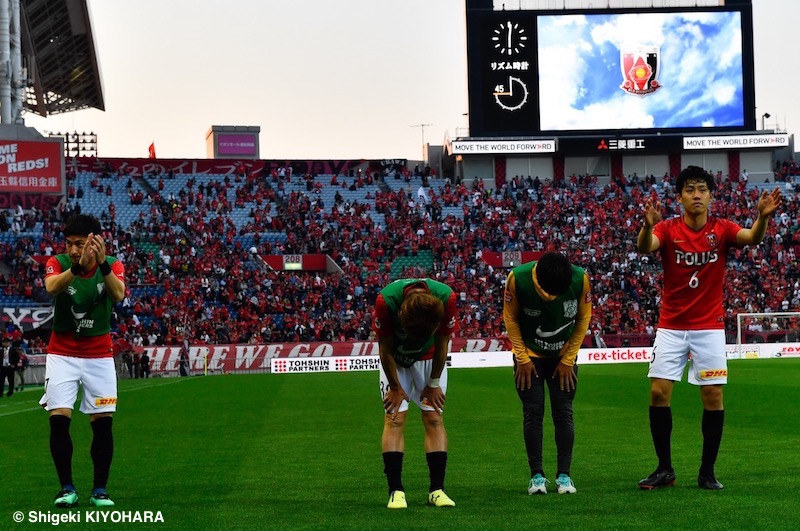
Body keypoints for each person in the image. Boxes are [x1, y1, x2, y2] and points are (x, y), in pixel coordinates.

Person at [636, 166, 782, 490]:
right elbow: (646, 246)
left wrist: (762, 218)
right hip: (671, 325)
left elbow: (752, 238)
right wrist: (646, 226)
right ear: (679, 197)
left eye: (702, 189)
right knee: (658, 392)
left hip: (709, 327)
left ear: (711, 196)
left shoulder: (723, 228)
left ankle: (707, 472)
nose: (696, 195)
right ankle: (665, 469)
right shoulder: (667, 228)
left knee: (713, 395)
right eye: (690, 190)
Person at [40, 214, 126, 508]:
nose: (73, 250)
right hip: (61, 354)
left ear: (94, 242)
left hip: (98, 356)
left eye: (79, 244)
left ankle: (100, 490)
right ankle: (66, 488)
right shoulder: (58, 262)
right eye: (69, 244)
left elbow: (119, 294)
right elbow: (52, 287)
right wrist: (76, 267)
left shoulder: (112, 264)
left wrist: (101, 264)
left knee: (102, 424)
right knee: (58, 420)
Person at [503, 252, 592, 495]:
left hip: (563, 356)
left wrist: (569, 359)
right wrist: (522, 358)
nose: (553, 297)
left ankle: (564, 476)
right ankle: (537, 476)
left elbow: (583, 318)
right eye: (549, 292)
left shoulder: (580, 279)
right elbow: (510, 318)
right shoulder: (517, 279)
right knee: (533, 414)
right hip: (529, 356)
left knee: (563, 413)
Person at [373, 278, 458, 509]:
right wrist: (395, 387)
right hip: (395, 361)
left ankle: (437, 490)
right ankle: (396, 491)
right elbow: (384, 348)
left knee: (434, 418)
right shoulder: (385, 301)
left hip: (430, 359)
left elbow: (443, 343)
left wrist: (434, 382)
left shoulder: (447, 298)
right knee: (394, 418)